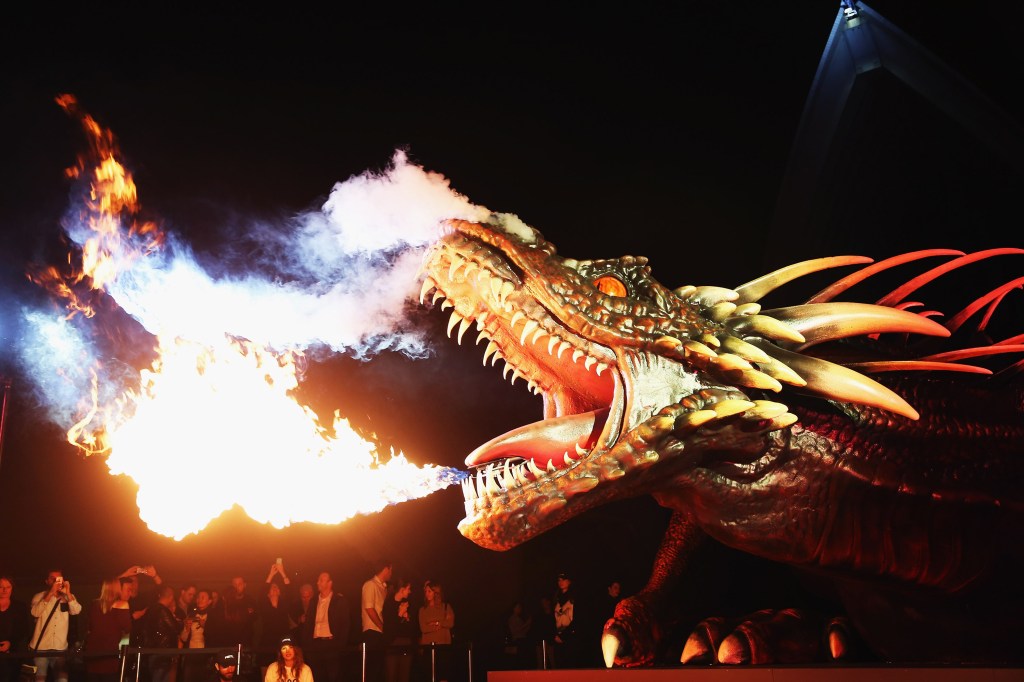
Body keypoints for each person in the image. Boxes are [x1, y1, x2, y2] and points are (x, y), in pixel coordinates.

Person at [28, 570, 82, 682]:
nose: (56, 581)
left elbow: (76, 610)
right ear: (47, 581)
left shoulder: (68, 597)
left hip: (60, 648)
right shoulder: (39, 596)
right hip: (40, 648)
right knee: (39, 680)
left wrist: (68, 593)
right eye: (52, 578)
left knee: (62, 680)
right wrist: (51, 593)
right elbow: (35, 612)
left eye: (59, 578)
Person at [82, 578, 132, 682]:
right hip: (109, 652)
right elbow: (128, 628)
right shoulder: (122, 604)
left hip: (92, 652)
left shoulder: (94, 604)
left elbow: (89, 626)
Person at [301, 572, 348, 682]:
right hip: (315, 645)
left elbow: (345, 624)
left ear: (330, 583)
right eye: (318, 580)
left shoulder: (339, 601)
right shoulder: (313, 601)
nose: (318, 582)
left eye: (321, 580)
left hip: (332, 645)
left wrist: (340, 645)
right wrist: (306, 644)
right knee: (316, 677)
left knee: (333, 677)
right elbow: (308, 624)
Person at [255, 563, 292, 677]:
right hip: (267, 642)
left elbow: (290, 590)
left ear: (280, 592)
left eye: (277, 587)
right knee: (266, 673)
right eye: (272, 587)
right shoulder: (263, 605)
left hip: (283, 643)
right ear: (268, 593)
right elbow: (261, 592)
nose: (275, 588)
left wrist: (282, 572)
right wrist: (271, 574)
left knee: (284, 672)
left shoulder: (285, 605)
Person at [143, 584, 182, 682]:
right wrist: (178, 621)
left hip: (152, 651)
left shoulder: (150, 609)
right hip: (163, 653)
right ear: (171, 597)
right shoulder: (163, 610)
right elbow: (176, 628)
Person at [360, 560, 391, 682]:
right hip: (372, 632)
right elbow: (369, 608)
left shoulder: (384, 588)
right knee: (372, 669)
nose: (391, 573)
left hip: (380, 633)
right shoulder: (370, 585)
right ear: (385, 569)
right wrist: (383, 627)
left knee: (380, 670)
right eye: (391, 569)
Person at [417, 581, 453, 682]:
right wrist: (441, 623)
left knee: (443, 675)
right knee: (430, 676)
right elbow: (423, 628)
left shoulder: (446, 607)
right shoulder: (422, 610)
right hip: (428, 647)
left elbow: (450, 623)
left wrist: (436, 623)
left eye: (429, 591)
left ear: (436, 592)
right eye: (426, 591)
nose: (427, 593)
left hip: (444, 646)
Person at [382, 578, 414, 682]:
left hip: (406, 643)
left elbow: (413, 628)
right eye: (408, 588)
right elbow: (389, 628)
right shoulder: (388, 604)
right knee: (391, 676)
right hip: (392, 644)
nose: (410, 591)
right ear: (402, 589)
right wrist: (399, 615)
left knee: (404, 677)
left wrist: (407, 617)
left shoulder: (407, 603)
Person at [0, 575, 31, 682]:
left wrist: (11, 643)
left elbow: (24, 630)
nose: (4, 590)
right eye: (1, 587)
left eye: (8, 587)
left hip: (13, 655)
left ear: (12, 588)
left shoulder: (19, 606)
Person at [180, 589, 214, 682]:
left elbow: (216, 637)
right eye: (198, 597)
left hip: (206, 656)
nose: (199, 599)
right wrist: (186, 629)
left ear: (209, 601)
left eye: (203, 597)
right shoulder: (191, 614)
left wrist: (205, 626)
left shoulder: (213, 616)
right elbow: (183, 638)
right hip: (190, 654)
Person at [552, 572, 579, 668]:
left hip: (570, 637)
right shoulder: (556, 598)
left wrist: (564, 636)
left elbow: (577, 620)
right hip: (557, 638)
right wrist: (555, 635)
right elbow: (552, 619)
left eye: (563, 579)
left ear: (569, 581)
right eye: (559, 580)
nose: (561, 582)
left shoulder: (574, 598)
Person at [504, 601, 532, 670]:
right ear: (514, 608)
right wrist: (526, 624)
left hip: (522, 641)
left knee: (523, 662)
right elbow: (515, 631)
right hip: (517, 641)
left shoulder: (519, 619)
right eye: (518, 607)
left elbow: (523, 632)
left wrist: (529, 625)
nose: (520, 609)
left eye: (520, 607)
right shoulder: (512, 619)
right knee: (519, 662)